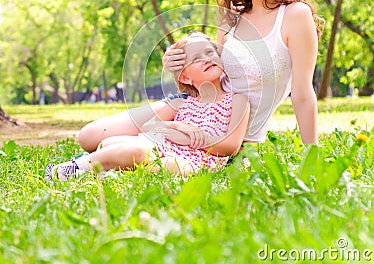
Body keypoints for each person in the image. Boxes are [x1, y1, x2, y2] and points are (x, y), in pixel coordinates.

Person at [76, 0, 322, 154]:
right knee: (88, 138)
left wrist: (312, 155)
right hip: (194, 110)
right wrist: (176, 63)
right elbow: (210, 72)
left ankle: (142, 143)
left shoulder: (294, 15)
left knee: (127, 150)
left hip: (231, 135)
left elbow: (302, 93)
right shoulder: (231, 18)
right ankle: (142, 141)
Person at [45, 33, 250, 180]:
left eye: (210, 52)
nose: (207, 59)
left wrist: (193, 136)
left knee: (144, 155)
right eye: (196, 59)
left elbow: (231, 147)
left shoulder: (237, 100)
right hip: (163, 147)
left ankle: (73, 168)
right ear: (185, 76)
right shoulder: (183, 103)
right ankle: (101, 168)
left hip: (194, 162)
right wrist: (177, 128)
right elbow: (150, 128)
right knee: (111, 142)